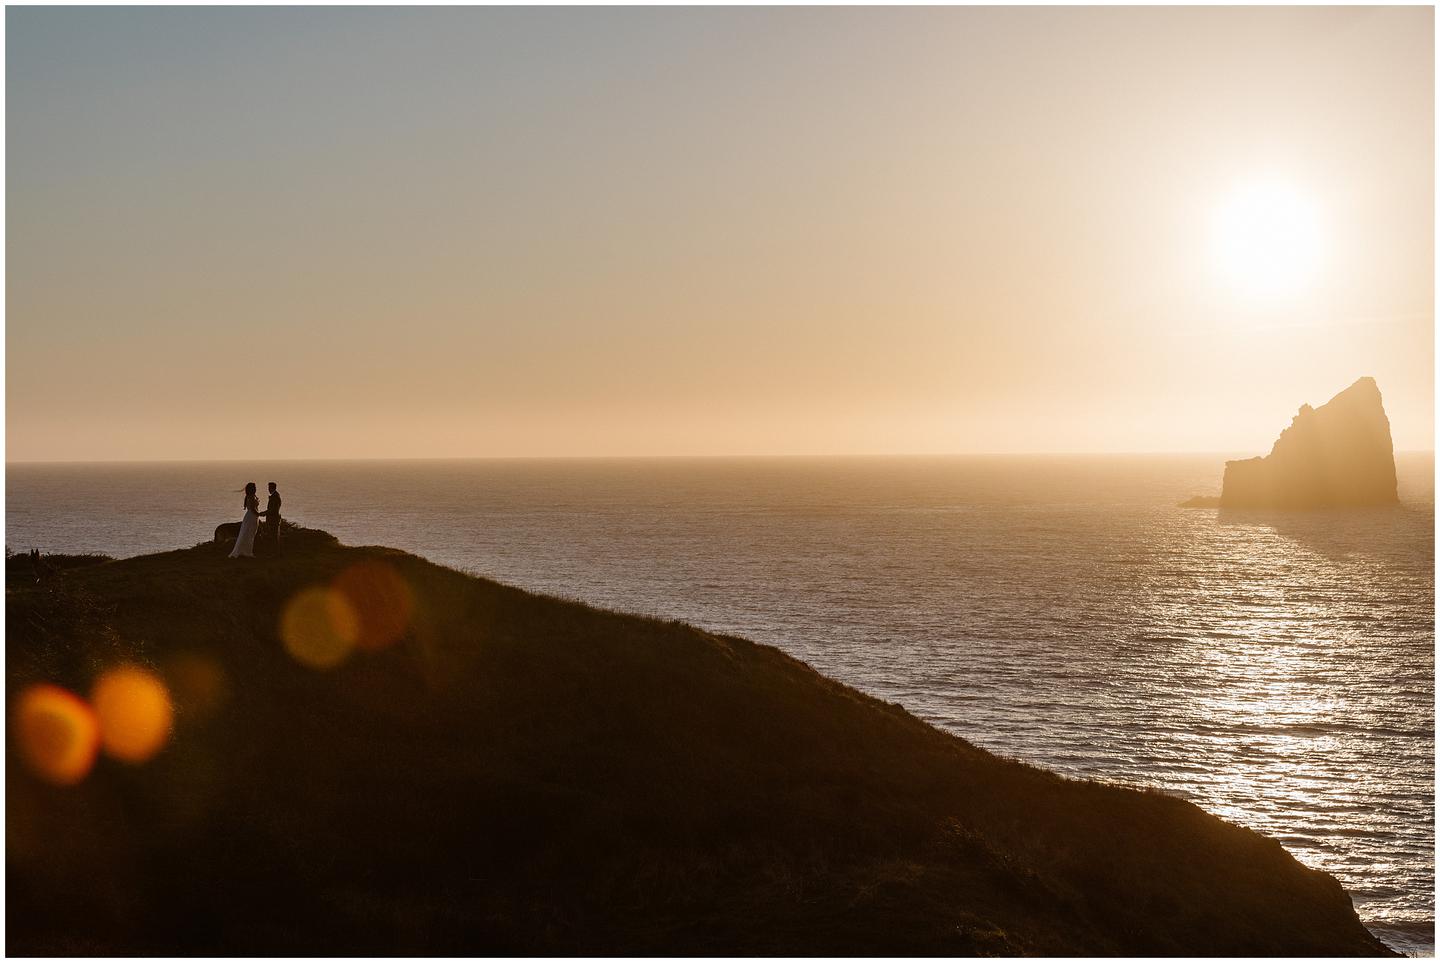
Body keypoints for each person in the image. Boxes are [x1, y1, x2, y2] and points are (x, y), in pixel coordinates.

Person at [228, 483, 261, 559]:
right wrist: (260, 514)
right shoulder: (251, 497)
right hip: (252, 517)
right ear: (252, 489)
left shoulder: (249, 496)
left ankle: (245, 551)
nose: (256, 488)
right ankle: (247, 552)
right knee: (249, 534)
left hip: (250, 516)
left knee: (247, 534)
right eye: (255, 487)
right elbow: (253, 509)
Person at [259, 482, 282, 552]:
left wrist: (262, 513)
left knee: (274, 537)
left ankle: (275, 552)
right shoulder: (276, 495)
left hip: (273, 519)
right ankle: (275, 552)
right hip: (274, 519)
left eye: (269, 488)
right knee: (274, 536)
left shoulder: (274, 497)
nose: (268, 489)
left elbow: (272, 510)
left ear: (272, 488)